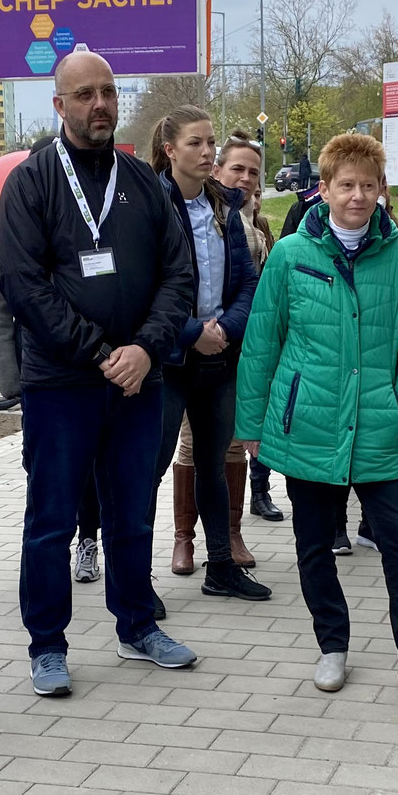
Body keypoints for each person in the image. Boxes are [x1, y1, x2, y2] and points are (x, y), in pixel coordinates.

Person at [0, 48, 198, 696]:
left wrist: (144, 349)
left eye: (108, 92)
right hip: (65, 384)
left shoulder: (144, 184)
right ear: (59, 105)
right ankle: (47, 646)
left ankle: (137, 626)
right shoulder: (31, 184)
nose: (100, 104)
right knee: (52, 520)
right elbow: (24, 285)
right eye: (84, 94)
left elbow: (179, 274)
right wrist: (98, 352)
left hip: (139, 382)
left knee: (133, 512)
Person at [235, 132, 398, 704]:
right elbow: (262, 341)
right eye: (346, 185)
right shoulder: (290, 256)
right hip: (307, 422)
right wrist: (252, 425)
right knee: (313, 545)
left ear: (382, 190)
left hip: (378, 422)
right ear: (324, 190)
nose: (357, 196)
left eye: (367, 185)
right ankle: (332, 645)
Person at [149, 108, 267, 601]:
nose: (207, 152)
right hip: (171, 361)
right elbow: (145, 288)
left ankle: (221, 565)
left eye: (210, 143)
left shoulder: (224, 208)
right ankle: (135, 580)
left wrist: (223, 329)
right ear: (171, 150)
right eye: (195, 143)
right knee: (148, 467)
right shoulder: (152, 204)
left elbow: (246, 281)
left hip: (219, 358)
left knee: (216, 464)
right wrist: (192, 331)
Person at [209, 134, 282, 539]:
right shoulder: (209, 216)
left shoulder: (259, 222)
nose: (246, 177)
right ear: (217, 170)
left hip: (251, 345)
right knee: (195, 445)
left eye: (253, 171)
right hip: (210, 340)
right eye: (237, 168)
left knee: (242, 437)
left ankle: (233, 530)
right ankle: (185, 538)